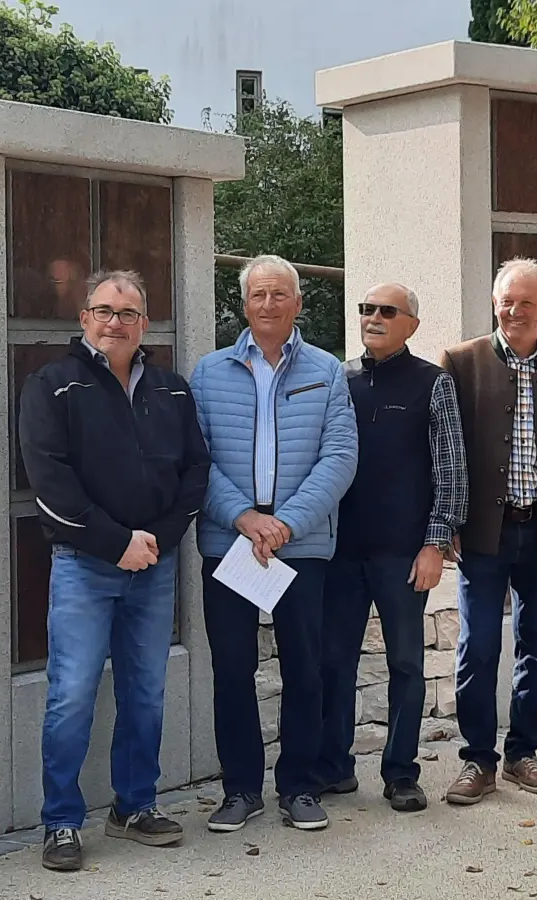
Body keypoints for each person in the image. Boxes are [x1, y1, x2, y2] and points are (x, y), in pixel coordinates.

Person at [18, 269, 211, 871]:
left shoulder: (172, 390)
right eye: (104, 311)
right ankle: (61, 822)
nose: (115, 323)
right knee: (72, 694)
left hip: (154, 565)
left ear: (143, 323)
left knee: (146, 693)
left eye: (128, 313)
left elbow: (195, 473)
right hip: (84, 566)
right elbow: (48, 484)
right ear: (84, 320)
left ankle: (135, 805)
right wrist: (115, 543)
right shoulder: (51, 385)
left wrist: (159, 540)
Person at [190, 254, 359, 833]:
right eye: (258, 295)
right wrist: (242, 517)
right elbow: (197, 460)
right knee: (232, 668)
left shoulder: (327, 371)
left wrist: (284, 524)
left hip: (301, 542)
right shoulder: (208, 372)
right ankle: (240, 790)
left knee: (305, 669)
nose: (268, 305)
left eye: (279, 295)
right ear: (244, 304)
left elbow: (340, 458)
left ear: (298, 303)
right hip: (230, 541)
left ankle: (300, 787)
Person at [438, 257, 537, 805]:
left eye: (527, 301)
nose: (515, 310)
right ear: (494, 302)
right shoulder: (460, 363)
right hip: (483, 532)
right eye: (507, 299)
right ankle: (477, 759)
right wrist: (447, 521)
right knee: (477, 646)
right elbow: (445, 451)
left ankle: (523, 753)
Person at [318, 283, 468, 813]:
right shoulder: (338, 378)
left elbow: (451, 471)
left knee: (406, 664)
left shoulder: (434, 384)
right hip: (339, 553)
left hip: (404, 555)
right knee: (333, 661)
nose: (374, 318)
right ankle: (334, 768)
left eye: (387, 311)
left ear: (411, 325)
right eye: (366, 309)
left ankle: (402, 773)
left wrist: (435, 544)